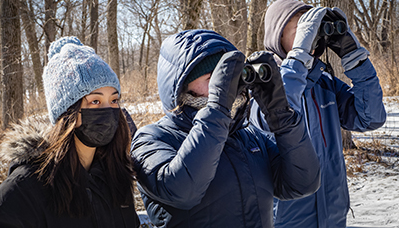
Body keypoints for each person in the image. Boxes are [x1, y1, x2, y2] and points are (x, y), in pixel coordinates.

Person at [130, 29, 321, 227]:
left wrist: (282, 117)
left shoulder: (247, 136)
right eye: (213, 78)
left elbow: (302, 184)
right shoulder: (152, 139)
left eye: (229, 76)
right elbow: (182, 191)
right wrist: (217, 109)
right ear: (181, 85)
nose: (227, 85)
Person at [250, 0, 387, 227]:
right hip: (285, 220)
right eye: (302, 30)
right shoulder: (260, 84)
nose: (311, 37)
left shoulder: (324, 83)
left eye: (312, 30)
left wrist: (354, 57)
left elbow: (371, 118)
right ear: (277, 35)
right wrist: (299, 55)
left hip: (333, 213)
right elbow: (281, 115)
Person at [0, 36, 140, 228]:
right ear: (67, 112)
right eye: (95, 101)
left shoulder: (115, 177)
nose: (108, 111)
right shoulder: (26, 189)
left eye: (114, 101)